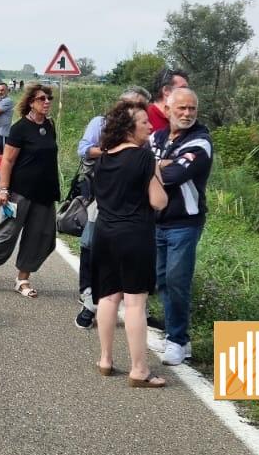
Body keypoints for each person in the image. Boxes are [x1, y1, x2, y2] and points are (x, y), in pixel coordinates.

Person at [89, 98, 169, 388]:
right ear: (129, 128)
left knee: (108, 297)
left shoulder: (104, 157)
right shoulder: (145, 159)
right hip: (135, 235)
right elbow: (158, 201)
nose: (150, 125)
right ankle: (139, 370)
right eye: (144, 122)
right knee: (135, 303)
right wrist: (156, 172)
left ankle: (106, 360)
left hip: (105, 233)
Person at [71, 87, 150, 330]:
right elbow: (84, 149)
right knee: (91, 244)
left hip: (135, 199)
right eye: (129, 104)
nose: (133, 109)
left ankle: (136, 305)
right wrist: (111, 154)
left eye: (139, 105)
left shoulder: (146, 131)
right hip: (101, 192)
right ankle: (88, 300)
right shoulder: (101, 123)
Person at [0, 83, 59, 298]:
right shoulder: (20, 128)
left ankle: (23, 279)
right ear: (31, 102)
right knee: (8, 232)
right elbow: (7, 161)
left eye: (49, 98)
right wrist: (3, 189)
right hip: (21, 191)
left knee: (39, 237)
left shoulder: (50, 125)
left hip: (46, 192)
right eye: (42, 98)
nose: (47, 102)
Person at [152, 87, 213, 366]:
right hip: (155, 220)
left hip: (184, 223)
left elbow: (175, 175)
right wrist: (160, 163)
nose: (187, 114)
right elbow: (137, 163)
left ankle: (176, 339)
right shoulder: (157, 136)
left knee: (177, 280)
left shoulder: (201, 142)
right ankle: (178, 337)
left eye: (192, 109)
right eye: (181, 109)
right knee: (162, 279)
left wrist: (155, 165)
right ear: (168, 110)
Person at [147, 68, 189, 134]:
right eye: (183, 88)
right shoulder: (145, 116)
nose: (189, 93)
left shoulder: (184, 118)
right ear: (166, 90)